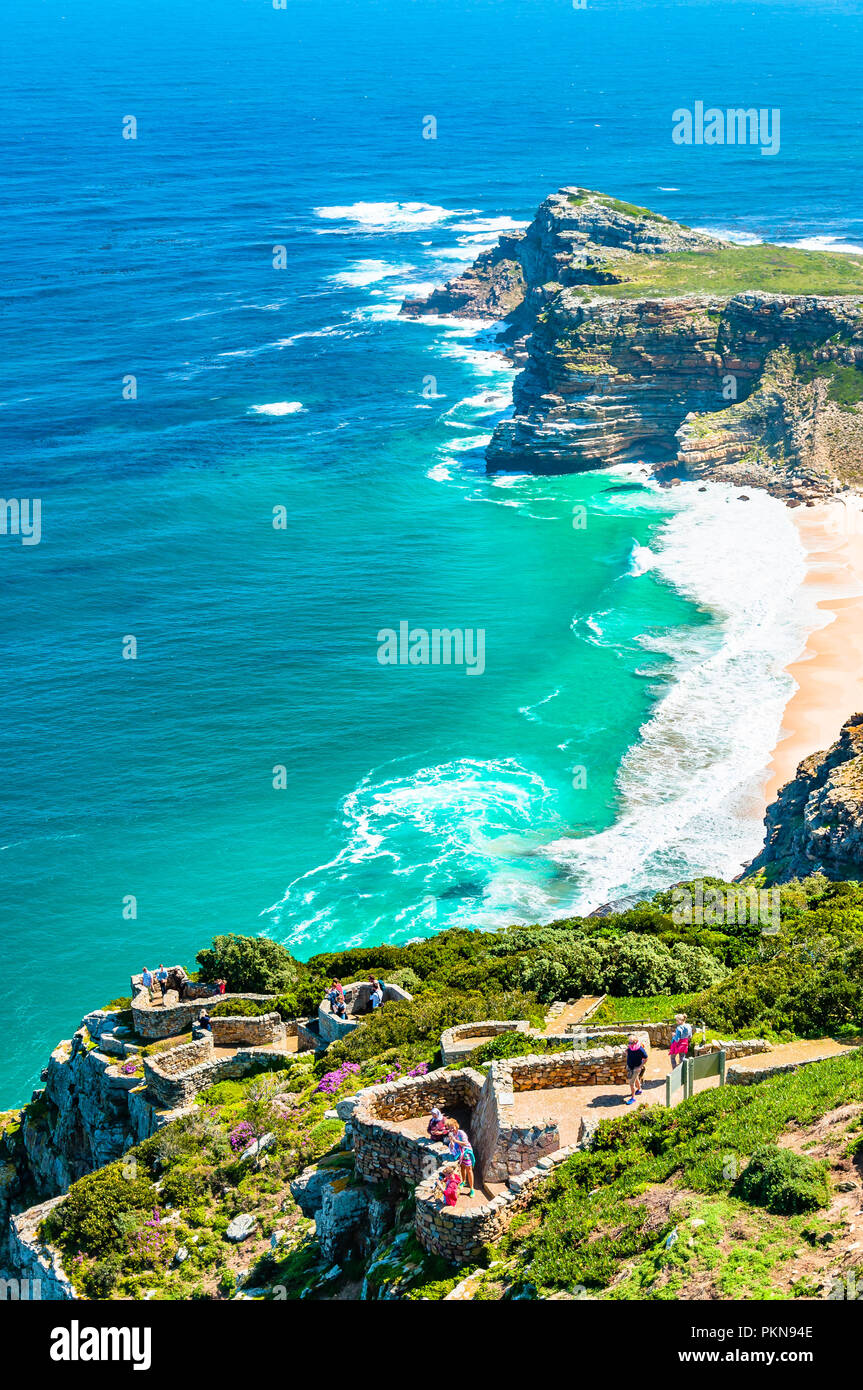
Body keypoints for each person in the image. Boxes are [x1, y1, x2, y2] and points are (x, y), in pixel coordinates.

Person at [446, 1117, 475, 1198]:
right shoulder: (452, 1134)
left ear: (456, 1125)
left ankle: (472, 1189)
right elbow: (452, 1146)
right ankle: (463, 1182)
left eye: (452, 1127)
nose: (451, 1129)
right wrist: (451, 1141)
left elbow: (465, 1143)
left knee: (469, 1170)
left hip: (466, 1153)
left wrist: (455, 1141)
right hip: (459, 1153)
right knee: (462, 1167)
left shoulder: (461, 1133)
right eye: (449, 1128)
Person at [625, 1034, 648, 1103]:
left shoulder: (640, 1050)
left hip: (636, 1068)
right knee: (636, 1079)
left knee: (631, 1083)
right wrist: (627, 1052)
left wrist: (639, 1067)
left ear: (635, 1042)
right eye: (629, 1042)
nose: (629, 1044)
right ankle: (639, 1089)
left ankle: (633, 1098)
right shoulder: (630, 1048)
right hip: (630, 1066)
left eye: (631, 1043)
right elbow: (629, 1053)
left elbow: (646, 1058)